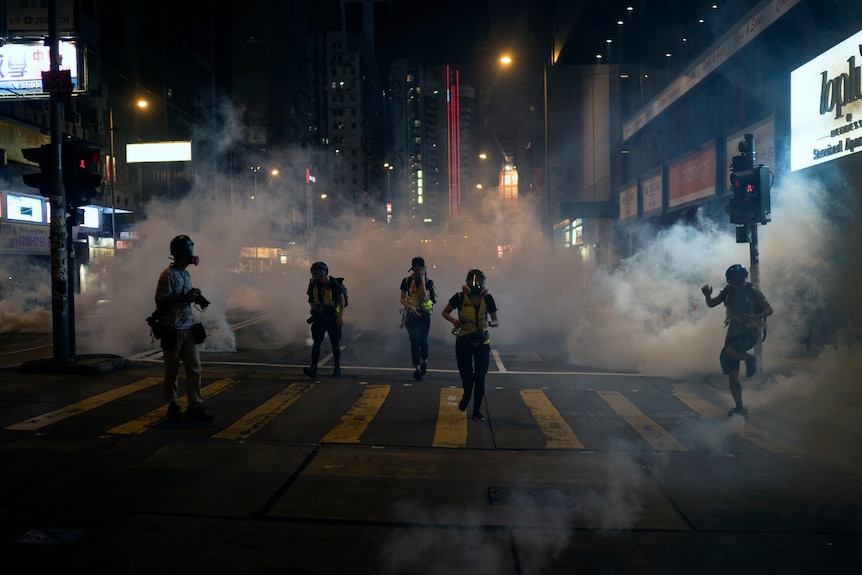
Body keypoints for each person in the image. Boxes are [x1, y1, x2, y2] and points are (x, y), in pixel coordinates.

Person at [153, 235, 213, 422]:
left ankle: (194, 405)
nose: (193, 257)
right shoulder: (167, 275)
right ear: (182, 255)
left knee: (194, 368)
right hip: (172, 329)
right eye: (190, 254)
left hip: (188, 328)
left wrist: (193, 295)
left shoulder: (185, 275)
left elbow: (183, 296)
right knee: (172, 370)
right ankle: (172, 404)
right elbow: (161, 300)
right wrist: (184, 298)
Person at [701, 264, 773, 417]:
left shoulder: (753, 292)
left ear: (741, 278)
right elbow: (712, 303)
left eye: (734, 279)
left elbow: (769, 309)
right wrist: (707, 296)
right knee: (732, 374)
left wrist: (755, 317)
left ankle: (749, 359)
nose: (732, 282)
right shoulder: (728, 291)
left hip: (749, 332)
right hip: (733, 332)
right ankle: (739, 406)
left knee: (730, 351)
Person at [441, 269, 499, 421]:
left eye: (479, 281)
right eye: (474, 281)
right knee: (467, 376)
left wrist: (488, 323)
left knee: (480, 378)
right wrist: (454, 321)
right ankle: (467, 393)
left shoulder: (488, 299)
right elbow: (445, 312)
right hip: (464, 342)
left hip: (482, 343)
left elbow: (496, 321)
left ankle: (477, 410)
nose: (477, 284)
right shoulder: (460, 297)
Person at [304, 261, 345, 378]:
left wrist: (339, 317)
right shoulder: (312, 285)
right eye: (314, 273)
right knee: (316, 343)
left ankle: (337, 369)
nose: (315, 275)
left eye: (318, 272)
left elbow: (341, 300)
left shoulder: (333, 283)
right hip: (319, 317)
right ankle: (313, 369)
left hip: (332, 317)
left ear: (325, 272)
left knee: (335, 344)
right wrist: (313, 308)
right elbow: (311, 299)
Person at [400, 256, 437, 380]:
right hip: (411, 315)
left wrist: (421, 279)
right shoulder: (406, 281)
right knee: (414, 341)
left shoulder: (428, 282)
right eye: (415, 267)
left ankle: (424, 360)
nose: (417, 270)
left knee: (423, 340)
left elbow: (423, 298)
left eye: (419, 268)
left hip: (424, 314)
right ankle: (416, 368)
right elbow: (402, 298)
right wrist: (409, 306)